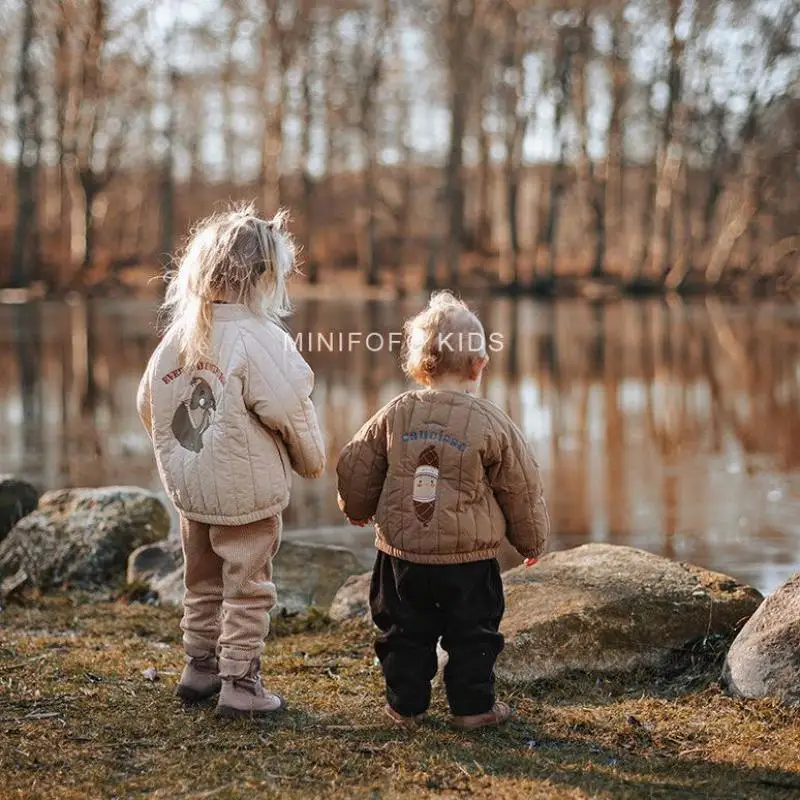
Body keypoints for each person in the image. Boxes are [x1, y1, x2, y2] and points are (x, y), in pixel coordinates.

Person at [137, 204, 325, 717]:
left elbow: (147, 405)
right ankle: (240, 684)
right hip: (246, 492)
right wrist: (312, 461)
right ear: (265, 276)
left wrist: (179, 456)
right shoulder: (261, 337)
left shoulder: (178, 337)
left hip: (193, 490)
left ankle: (198, 668)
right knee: (247, 586)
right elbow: (291, 410)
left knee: (200, 579)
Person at [336, 291, 549, 730]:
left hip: (401, 558)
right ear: (479, 365)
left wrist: (356, 507)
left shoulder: (395, 413)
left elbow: (357, 462)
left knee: (402, 632)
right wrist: (530, 541)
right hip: (468, 561)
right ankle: (473, 709)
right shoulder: (492, 422)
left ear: (419, 364)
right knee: (474, 635)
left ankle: (405, 706)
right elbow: (521, 487)